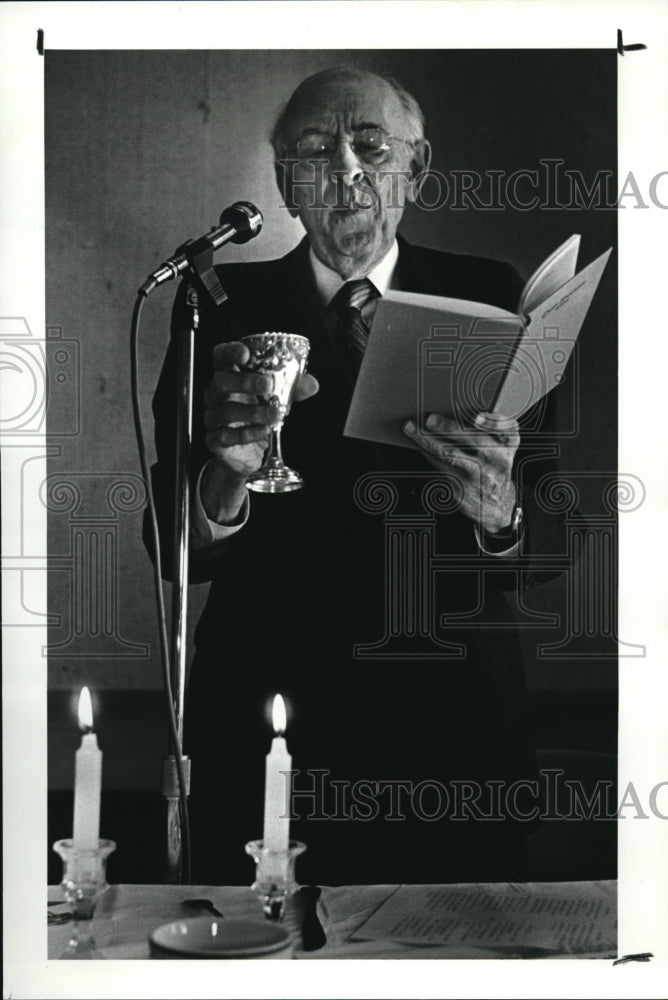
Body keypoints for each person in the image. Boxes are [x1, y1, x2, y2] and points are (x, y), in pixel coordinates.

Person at [149, 68, 566, 885]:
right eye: (315, 150)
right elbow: (168, 543)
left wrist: (500, 510)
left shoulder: (493, 297)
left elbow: (556, 543)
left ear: (416, 169)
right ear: (282, 183)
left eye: (370, 147)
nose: (345, 169)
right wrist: (223, 482)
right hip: (268, 722)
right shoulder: (218, 301)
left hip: (452, 729)